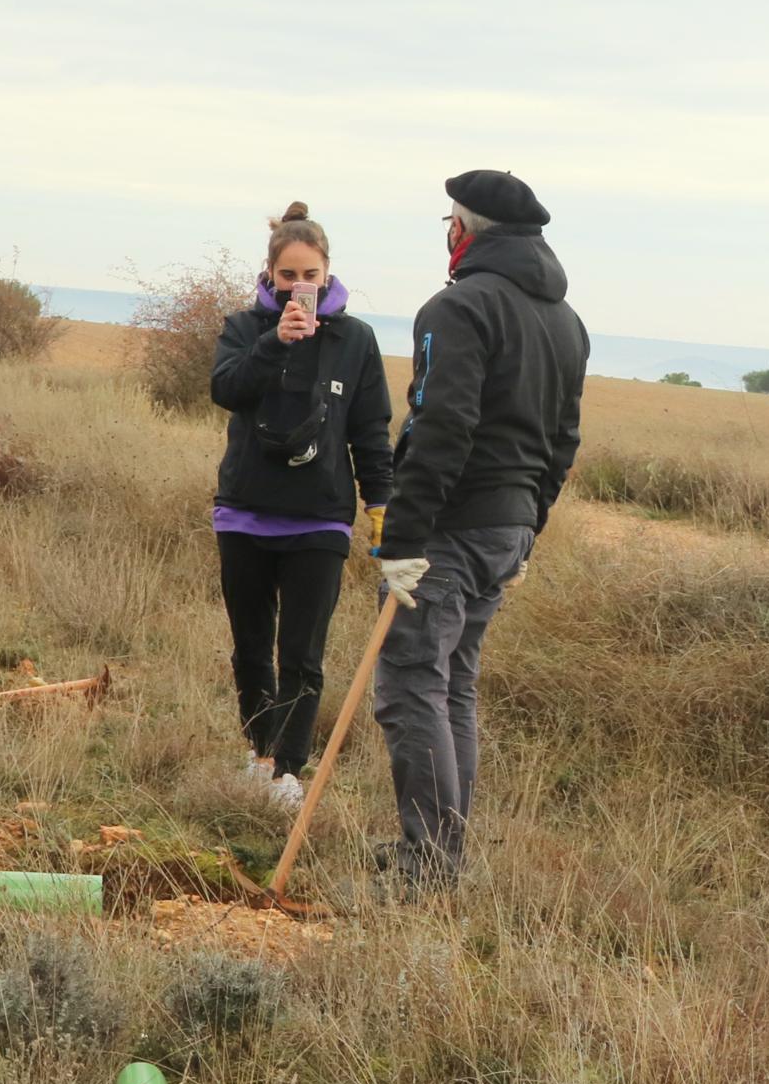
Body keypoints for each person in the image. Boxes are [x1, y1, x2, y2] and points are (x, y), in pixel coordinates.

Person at [367, 171, 588, 887]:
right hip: (508, 527)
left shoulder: (458, 309)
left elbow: (442, 426)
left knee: (411, 687)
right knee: (454, 686)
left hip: (451, 530)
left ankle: (428, 869)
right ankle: (440, 856)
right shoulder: (567, 321)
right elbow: (563, 442)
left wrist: (402, 540)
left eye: (448, 223)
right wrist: (529, 531)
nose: (448, 234)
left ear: (464, 231)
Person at [207, 204, 393, 817]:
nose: (299, 287)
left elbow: (370, 429)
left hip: (319, 518)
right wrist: (273, 341)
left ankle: (287, 768)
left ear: (329, 271)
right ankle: (259, 753)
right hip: (245, 512)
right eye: (287, 276)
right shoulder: (243, 327)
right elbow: (225, 389)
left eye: (309, 274)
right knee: (251, 646)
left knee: (303, 654)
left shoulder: (356, 340)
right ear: (269, 274)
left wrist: (381, 503)